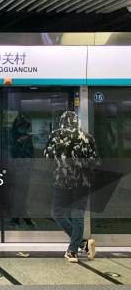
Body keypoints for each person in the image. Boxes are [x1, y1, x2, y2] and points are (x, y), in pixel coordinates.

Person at [45, 111, 97, 263]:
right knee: (78, 216)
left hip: (62, 182)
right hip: (83, 183)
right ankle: (77, 247)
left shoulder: (55, 135)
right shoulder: (88, 137)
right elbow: (95, 160)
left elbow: (47, 156)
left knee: (57, 212)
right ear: (76, 122)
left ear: (61, 122)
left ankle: (76, 247)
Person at [9, 114, 36, 228]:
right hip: (17, 169)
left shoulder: (25, 138)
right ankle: (18, 217)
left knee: (22, 193)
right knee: (18, 193)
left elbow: (30, 154)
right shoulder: (16, 139)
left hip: (24, 169)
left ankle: (19, 216)